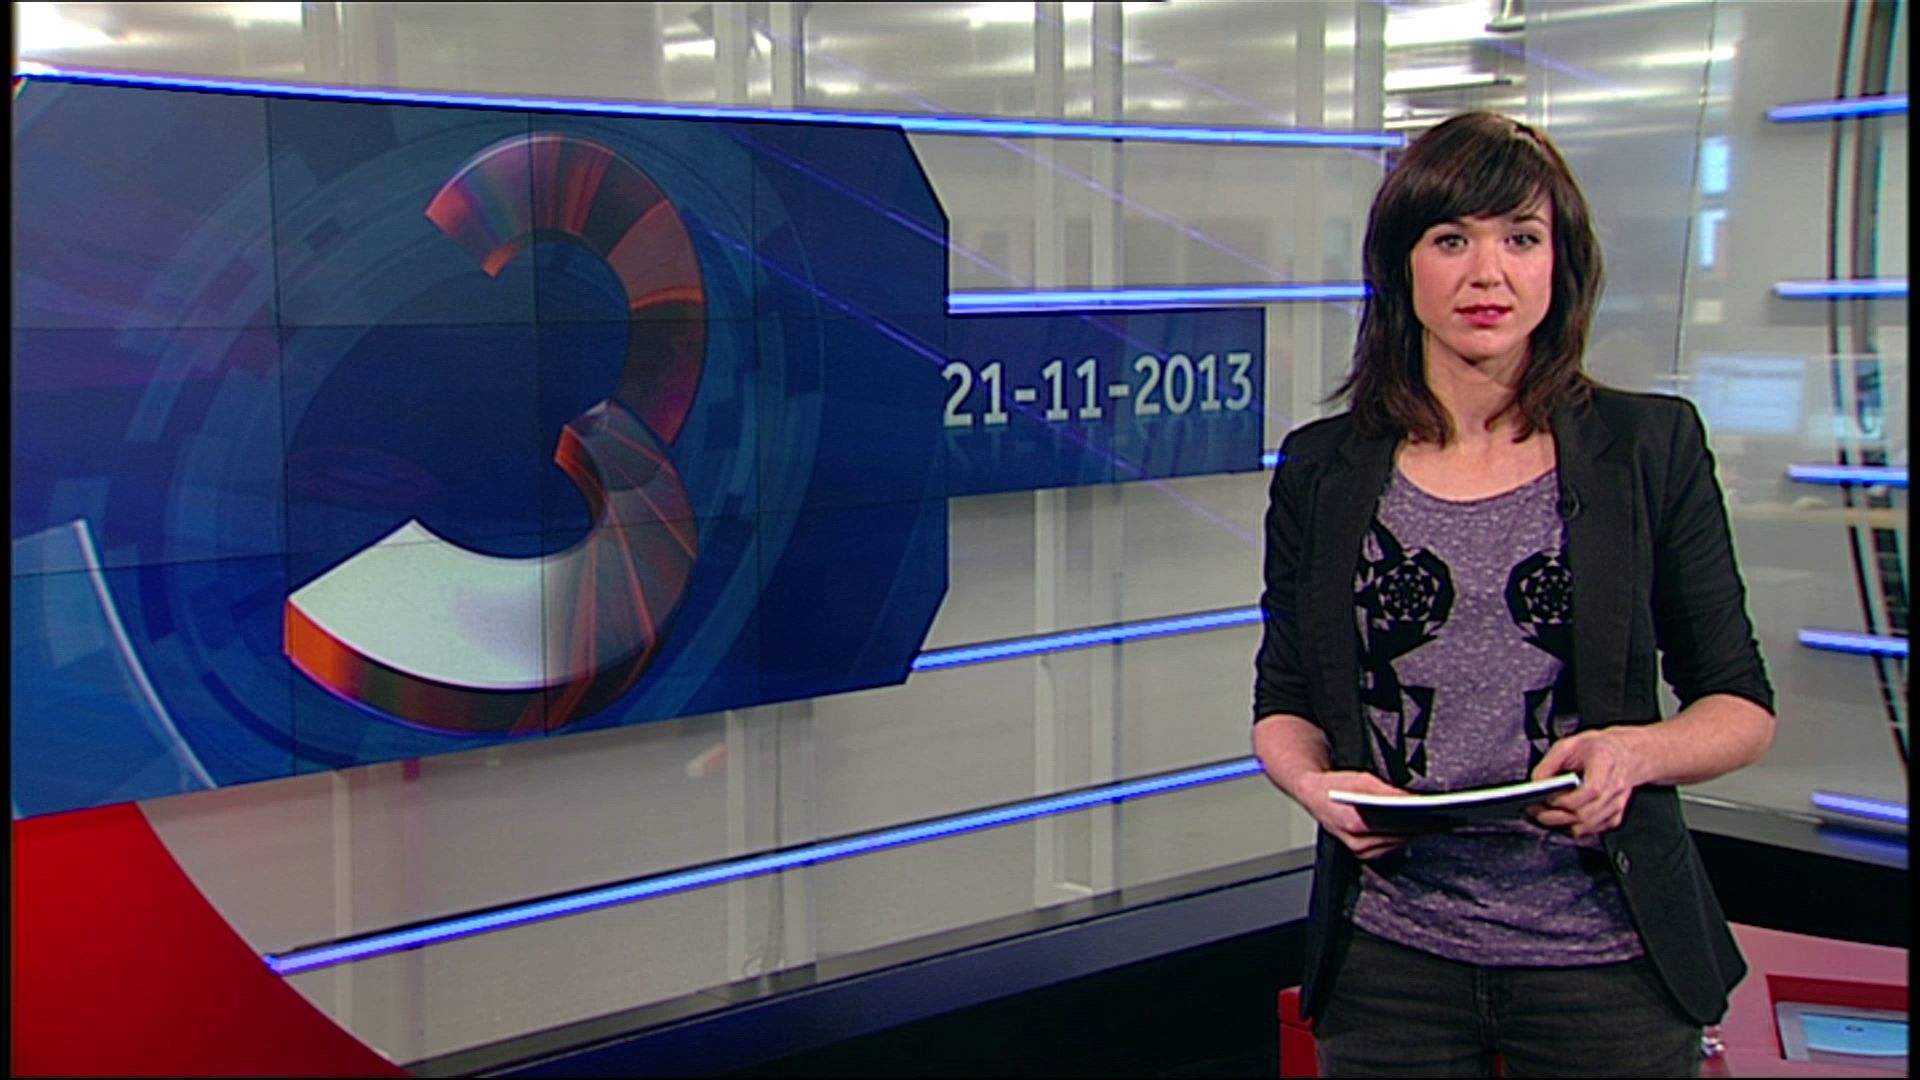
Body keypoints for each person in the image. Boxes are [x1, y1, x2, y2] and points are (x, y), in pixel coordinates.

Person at [1251, 111, 1775, 1078]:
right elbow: (1284, 700)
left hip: (1605, 962)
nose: (1486, 274)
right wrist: (1316, 787)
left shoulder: (1649, 450)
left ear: (1559, 265)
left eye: (1520, 239)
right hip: (1389, 964)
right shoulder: (1323, 468)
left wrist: (1632, 754)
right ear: (1401, 266)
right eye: (1452, 240)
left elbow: (1740, 707)